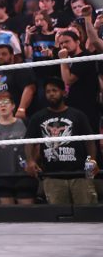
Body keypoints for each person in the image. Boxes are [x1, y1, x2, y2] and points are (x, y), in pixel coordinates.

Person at [24, 77, 98, 205]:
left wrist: (92, 160)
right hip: (52, 176)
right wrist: (30, 161)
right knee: (58, 215)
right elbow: (28, 141)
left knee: (86, 212)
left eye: (54, 90)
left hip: (79, 174)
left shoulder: (77, 115)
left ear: (63, 92)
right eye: (48, 91)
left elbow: (89, 140)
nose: (51, 94)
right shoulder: (38, 117)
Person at [0, 93, 35, 205]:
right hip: (1, 175)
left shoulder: (24, 123)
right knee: (7, 211)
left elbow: (34, 145)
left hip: (23, 173)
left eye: (6, 102)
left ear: (13, 106)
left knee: (27, 210)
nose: (3, 105)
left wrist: (33, 162)